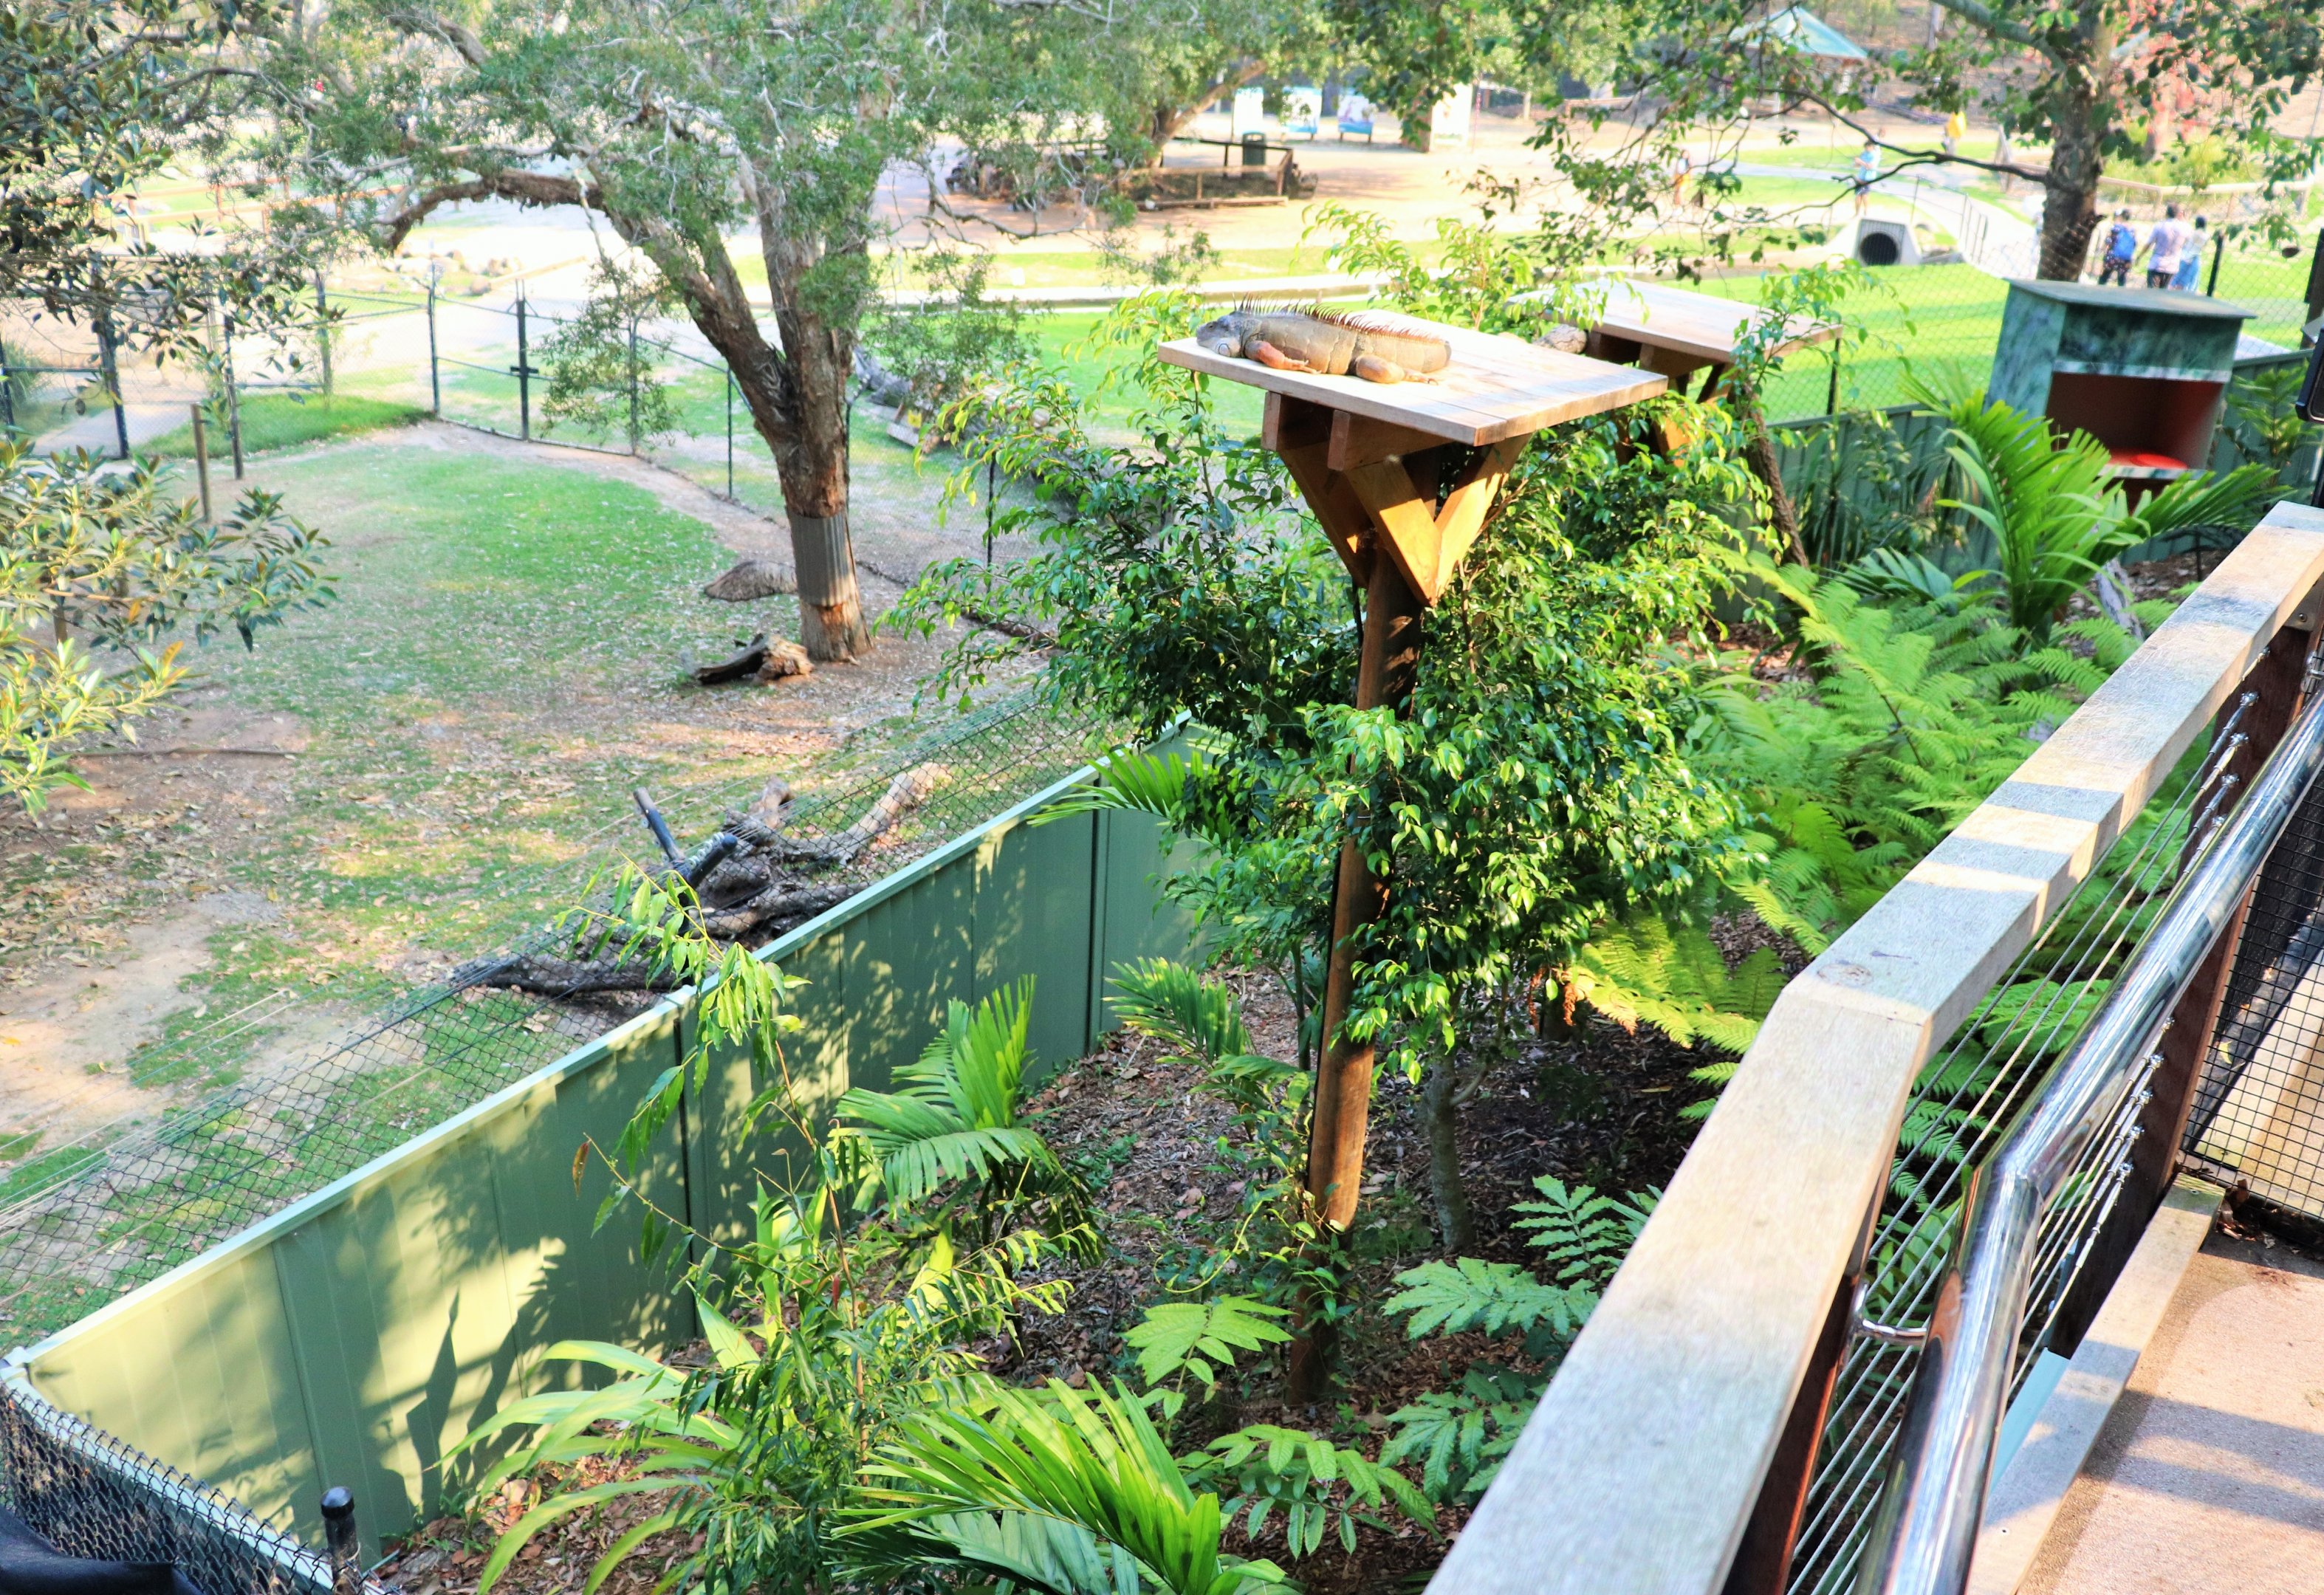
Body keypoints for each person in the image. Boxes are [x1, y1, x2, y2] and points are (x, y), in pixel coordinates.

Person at [2143, 203, 2192, 289]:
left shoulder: (2159, 226)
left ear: (2166, 213)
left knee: (2152, 292)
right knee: (2164, 291)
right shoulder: (2185, 228)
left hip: (2156, 264)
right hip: (2172, 266)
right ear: (2179, 214)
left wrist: (2139, 256)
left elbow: (2149, 243)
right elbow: (2189, 241)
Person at [2097, 210, 2139, 285]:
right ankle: (2121, 291)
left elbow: (2109, 241)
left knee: (2105, 276)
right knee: (2122, 279)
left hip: (2113, 256)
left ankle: (2098, 290)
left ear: (2121, 217)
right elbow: (2134, 244)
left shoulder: (2115, 228)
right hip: (2125, 258)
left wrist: (2103, 250)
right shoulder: (2132, 229)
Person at [2172, 216, 2208, 291]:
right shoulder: (2206, 236)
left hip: (2185, 256)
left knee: (2178, 279)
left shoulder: (2191, 233)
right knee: (2191, 281)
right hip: (2196, 258)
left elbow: (2184, 244)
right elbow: (2203, 248)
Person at [1851, 140, 1879, 217]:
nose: (1866, 149)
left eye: (1868, 147)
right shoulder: (1863, 153)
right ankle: (1857, 213)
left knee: (1864, 195)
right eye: (1865, 147)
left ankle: (1866, 211)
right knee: (1858, 195)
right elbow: (1856, 165)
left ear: (1872, 147)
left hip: (1868, 178)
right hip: (1861, 177)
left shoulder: (1875, 155)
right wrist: (1856, 162)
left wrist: (1860, 161)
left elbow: (1869, 166)